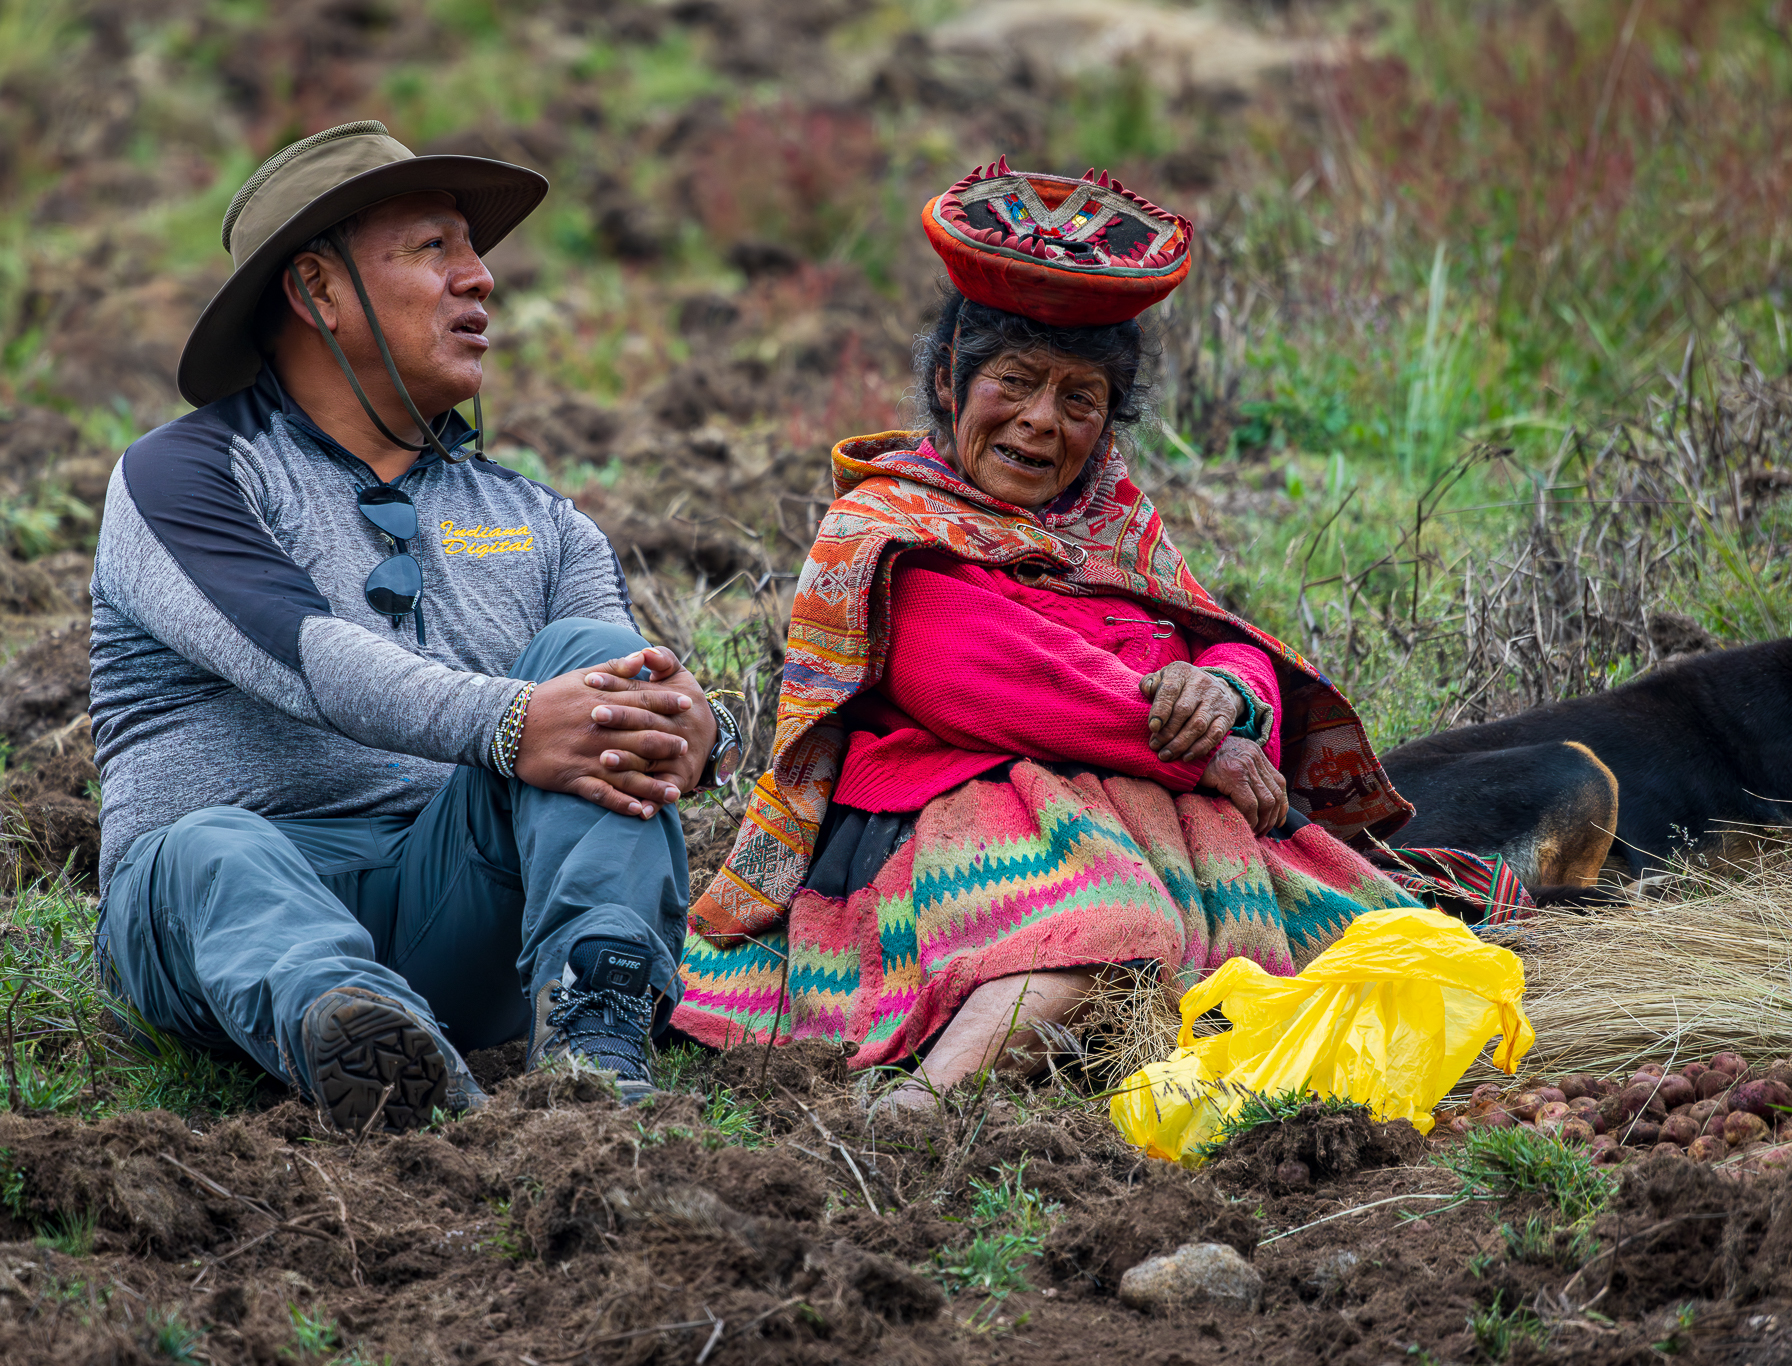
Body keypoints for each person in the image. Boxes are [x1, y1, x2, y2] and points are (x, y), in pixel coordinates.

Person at [671, 161, 1423, 1103]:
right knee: (1099, 936)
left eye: (1079, 399)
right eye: (1015, 382)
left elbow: (1215, 635)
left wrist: (1224, 693)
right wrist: (1199, 752)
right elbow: (976, 671)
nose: (1040, 422)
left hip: (1152, 811)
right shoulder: (887, 528)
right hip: (966, 812)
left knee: (1384, 957)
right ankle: (928, 1105)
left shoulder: (1112, 522)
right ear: (949, 382)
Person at [90, 122, 744, 1130]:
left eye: (475, 252)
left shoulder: (541, 522)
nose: (480, 279)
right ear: (316, 290)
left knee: (589, 664)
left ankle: (598, 1027)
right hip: (229, 928)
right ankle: (369, 1045)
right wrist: (512, 724)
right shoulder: (184, 476)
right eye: (432, 248)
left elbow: (622, 693)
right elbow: (304, 658)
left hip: (453, 896)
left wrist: (691, 727)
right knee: (207, 848)